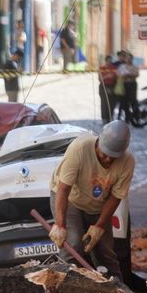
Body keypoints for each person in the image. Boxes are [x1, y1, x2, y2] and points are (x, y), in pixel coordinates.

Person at [48, 120, 134, 281]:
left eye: (113, 156)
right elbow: (63, 189)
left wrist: (99, 226)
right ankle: (70, 287)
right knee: (73, 245)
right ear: (98, 143)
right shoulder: (79, 148)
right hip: (71, 200)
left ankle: (118, 292)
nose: (108, 159)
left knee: (105, 251)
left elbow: (116, 197)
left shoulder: (127, 162)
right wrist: (60, 224)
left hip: (99, 205)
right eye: (104, 154)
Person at [117, 53, 139, 124]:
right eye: (127, 58)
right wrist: (126, 76)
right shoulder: (122, 66)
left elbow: (136, 75)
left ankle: (136, 117)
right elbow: (119, 75)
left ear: (132, 59)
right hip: (124, 85)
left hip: (132, 85)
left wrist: (129, 75)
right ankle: (127, 117)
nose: (128, 60)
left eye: (130, 58)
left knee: (133, 101)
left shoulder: (135, 67)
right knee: (125, 102)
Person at [98, 55, 117, 125]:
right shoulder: (102, 68)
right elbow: (100, 78)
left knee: (112, 103)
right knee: (104, 103)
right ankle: (104, 118)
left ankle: (110, 117)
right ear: (106, 61)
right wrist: (107, 76)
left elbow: (116, 76)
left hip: (112, 86)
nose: (109, 62)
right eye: (108, 60)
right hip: (104, 87)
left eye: (110, 60)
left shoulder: (114, 68)